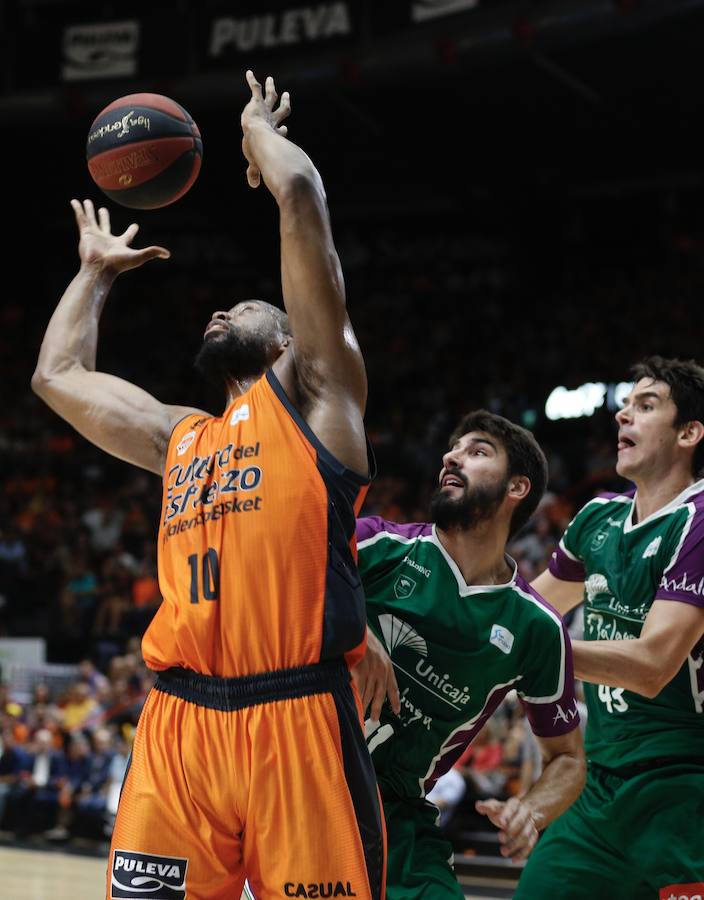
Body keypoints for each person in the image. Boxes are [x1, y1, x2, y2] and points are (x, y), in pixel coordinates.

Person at [32, 70, 384, 900]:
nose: (223, 311)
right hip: (177, 721)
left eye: (249, 306)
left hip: (294, 717)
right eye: (219, 308)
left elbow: (300, 192)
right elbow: (58, 374)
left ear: (292, 339)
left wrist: (259, 135)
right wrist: (95, 272)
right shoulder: (180, 436)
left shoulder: (321, 401)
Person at [353, 410, 586, 899]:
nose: (450, 457)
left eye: (477, 451)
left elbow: (567, 758)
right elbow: (283, 567)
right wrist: (352, 629)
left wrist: (531, 809)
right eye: (453, 449)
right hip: (299, 773)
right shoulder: (378, 543)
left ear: (517, 488)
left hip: (394, 812)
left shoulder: (536, 627)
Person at [516, 356, 704, 899]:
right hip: (598, 789)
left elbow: (651, 667)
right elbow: (527, 613)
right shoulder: (597, 518)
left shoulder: (699, 521)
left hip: (683, 789)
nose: (623, 417)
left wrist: (534, 648)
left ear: (690, 432)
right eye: (624, 406)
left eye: (646, 407)